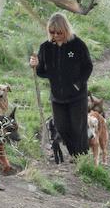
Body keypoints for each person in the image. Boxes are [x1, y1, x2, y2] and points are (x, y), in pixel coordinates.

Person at [29, 12, 93, 159]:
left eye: (59, 32)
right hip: (57, 97)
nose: (56, 35)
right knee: (61, 127)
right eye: (52, 32)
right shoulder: (45, 48)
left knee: (78, 129)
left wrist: (78, 85)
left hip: (77, 96)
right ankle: (74, 154)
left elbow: (88, 66)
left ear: (66, 30)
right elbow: (42, 72)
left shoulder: (77, 45)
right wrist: (35, 65)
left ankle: (82, 158)